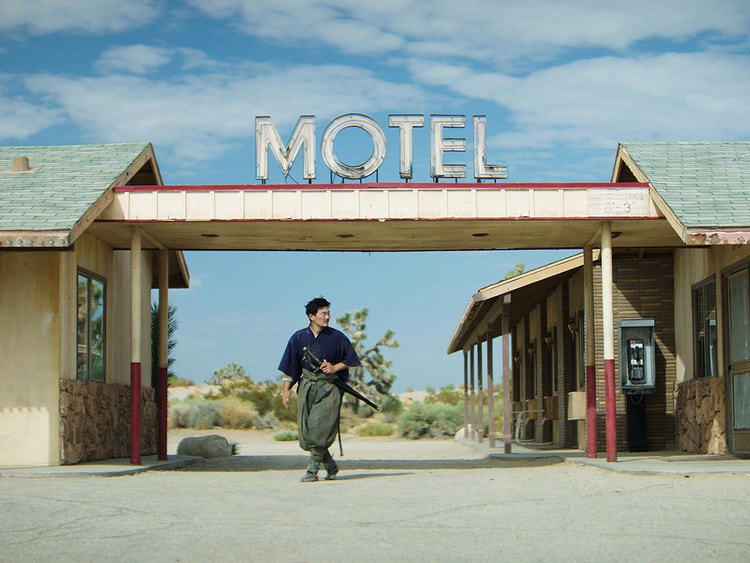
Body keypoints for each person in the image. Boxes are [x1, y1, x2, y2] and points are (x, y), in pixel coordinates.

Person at [279, 297, 360, 482]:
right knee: (307, 433)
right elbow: (290, 367)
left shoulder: (337, 337)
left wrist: (334, 367)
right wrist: (285, 390)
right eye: (323, 313)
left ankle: (312, 470)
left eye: (328, 313)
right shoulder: (298, 338)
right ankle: (330, 465)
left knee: (319, 427)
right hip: (307, 387)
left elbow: (351, 359)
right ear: (311, 316)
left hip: (329, 389)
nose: (327, 317)